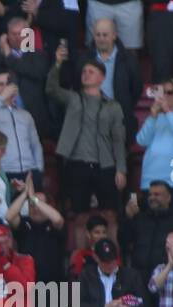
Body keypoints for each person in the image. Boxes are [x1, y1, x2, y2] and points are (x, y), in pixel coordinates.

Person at [48, 47, 128, 213]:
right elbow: (51, 89)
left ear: (102, 77)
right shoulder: (73, 98)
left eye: (91, 71)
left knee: (111, 213)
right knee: (78, 213)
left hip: (104, 165)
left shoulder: (113, 106)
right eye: (84, 71)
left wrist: (121, 169)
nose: (86, 74)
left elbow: (118, 139)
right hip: (77, 164)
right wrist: (57, 64)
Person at [0, 71, 45, 189]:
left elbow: (35, 145)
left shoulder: (25, 115)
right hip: (4, 172)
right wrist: (1, 98)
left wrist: (39, 169)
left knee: (33, 207)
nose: (6, 88)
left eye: (8, 84)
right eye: (1, 84)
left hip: (30, 172)